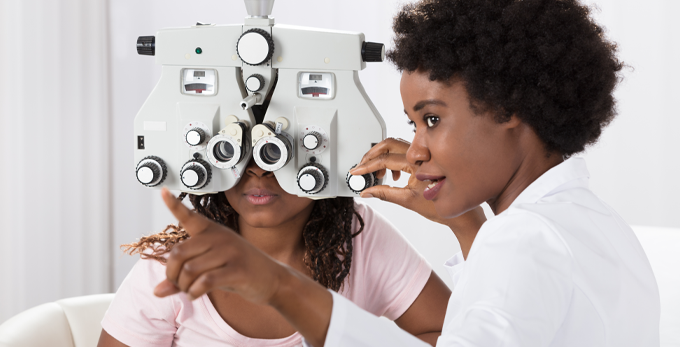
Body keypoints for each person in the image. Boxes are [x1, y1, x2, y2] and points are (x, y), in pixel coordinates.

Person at [146, 0, 661, 346]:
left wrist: (281, 287)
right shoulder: (593, 225)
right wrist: (463, 222)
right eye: (413, 125)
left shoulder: (524, 239)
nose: (412, 152)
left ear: (510, 109)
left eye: (432, 120)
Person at [97, 159, 475, 347]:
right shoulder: (175, 262)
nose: (259, 172)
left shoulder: (359, 236)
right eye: (239, 151)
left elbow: (447, 333)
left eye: (280, 152)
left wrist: (465, 221)